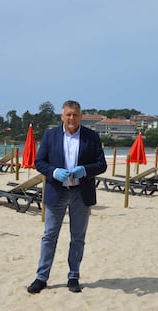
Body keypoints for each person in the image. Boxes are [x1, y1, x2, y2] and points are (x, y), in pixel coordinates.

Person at [27, 100, 107, 294]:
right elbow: (39, 162)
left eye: (75, 115)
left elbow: (101, 164)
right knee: (49, 236)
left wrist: (85, 170)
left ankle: (73, 276)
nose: (72, 118)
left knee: (77, 237)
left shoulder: (92, 136)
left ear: (80, 116)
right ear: (62, 116)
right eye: (68, 115)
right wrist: (53, 172)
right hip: (57, 191)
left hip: (81, 192)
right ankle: (42, 277)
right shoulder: (50, 135)